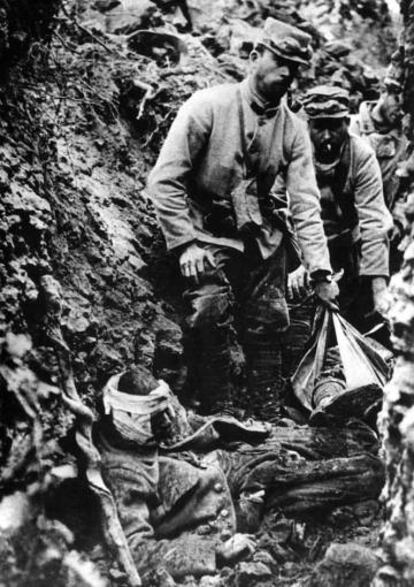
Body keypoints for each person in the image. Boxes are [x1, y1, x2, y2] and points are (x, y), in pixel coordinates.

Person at [147, 17, 338, 418]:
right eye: (280, 61)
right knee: (210, 308)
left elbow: (304, 203)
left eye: (296, 68)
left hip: (257, 234)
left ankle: (266, 410)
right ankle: (223, 409)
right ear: (254, 56)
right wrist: (185, 243)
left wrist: (320, 272)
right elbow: (164, 181)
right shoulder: (207, 106)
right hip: (203, 230)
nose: (287, 74)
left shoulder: (293, 130)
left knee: (271, 315)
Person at [96, 366, 385, 583]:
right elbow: (135, 550)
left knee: (360, 438)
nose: (170, 418)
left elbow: (189, 427)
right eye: (158, 417)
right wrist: (215, 552)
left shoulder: (139, 427)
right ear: (131, 419)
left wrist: (256, 432)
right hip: (247, 495)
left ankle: (325, 407)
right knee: (369, 472)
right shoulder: (122, 472)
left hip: (237, 453)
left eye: (167, 409)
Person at [283, 85, 392, 376]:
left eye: (335, 127)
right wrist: (303, 264)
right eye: (319, 127)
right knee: (292, 316)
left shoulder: (361, 155)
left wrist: (379, 287)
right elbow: (279, 207)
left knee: (358, 316)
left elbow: (372, 219)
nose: (327, 137)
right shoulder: (289, 148)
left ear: (348, 123)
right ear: (307, 124)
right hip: (295, 245)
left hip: (346, 247)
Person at [350, 57, 408, 272]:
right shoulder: (350, 129)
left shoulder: (405, 143)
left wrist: (398, 219)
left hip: (383, 244)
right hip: (344, 239)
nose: (401, 111)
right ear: (384, 92)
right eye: (397, 100)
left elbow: (406, 189)